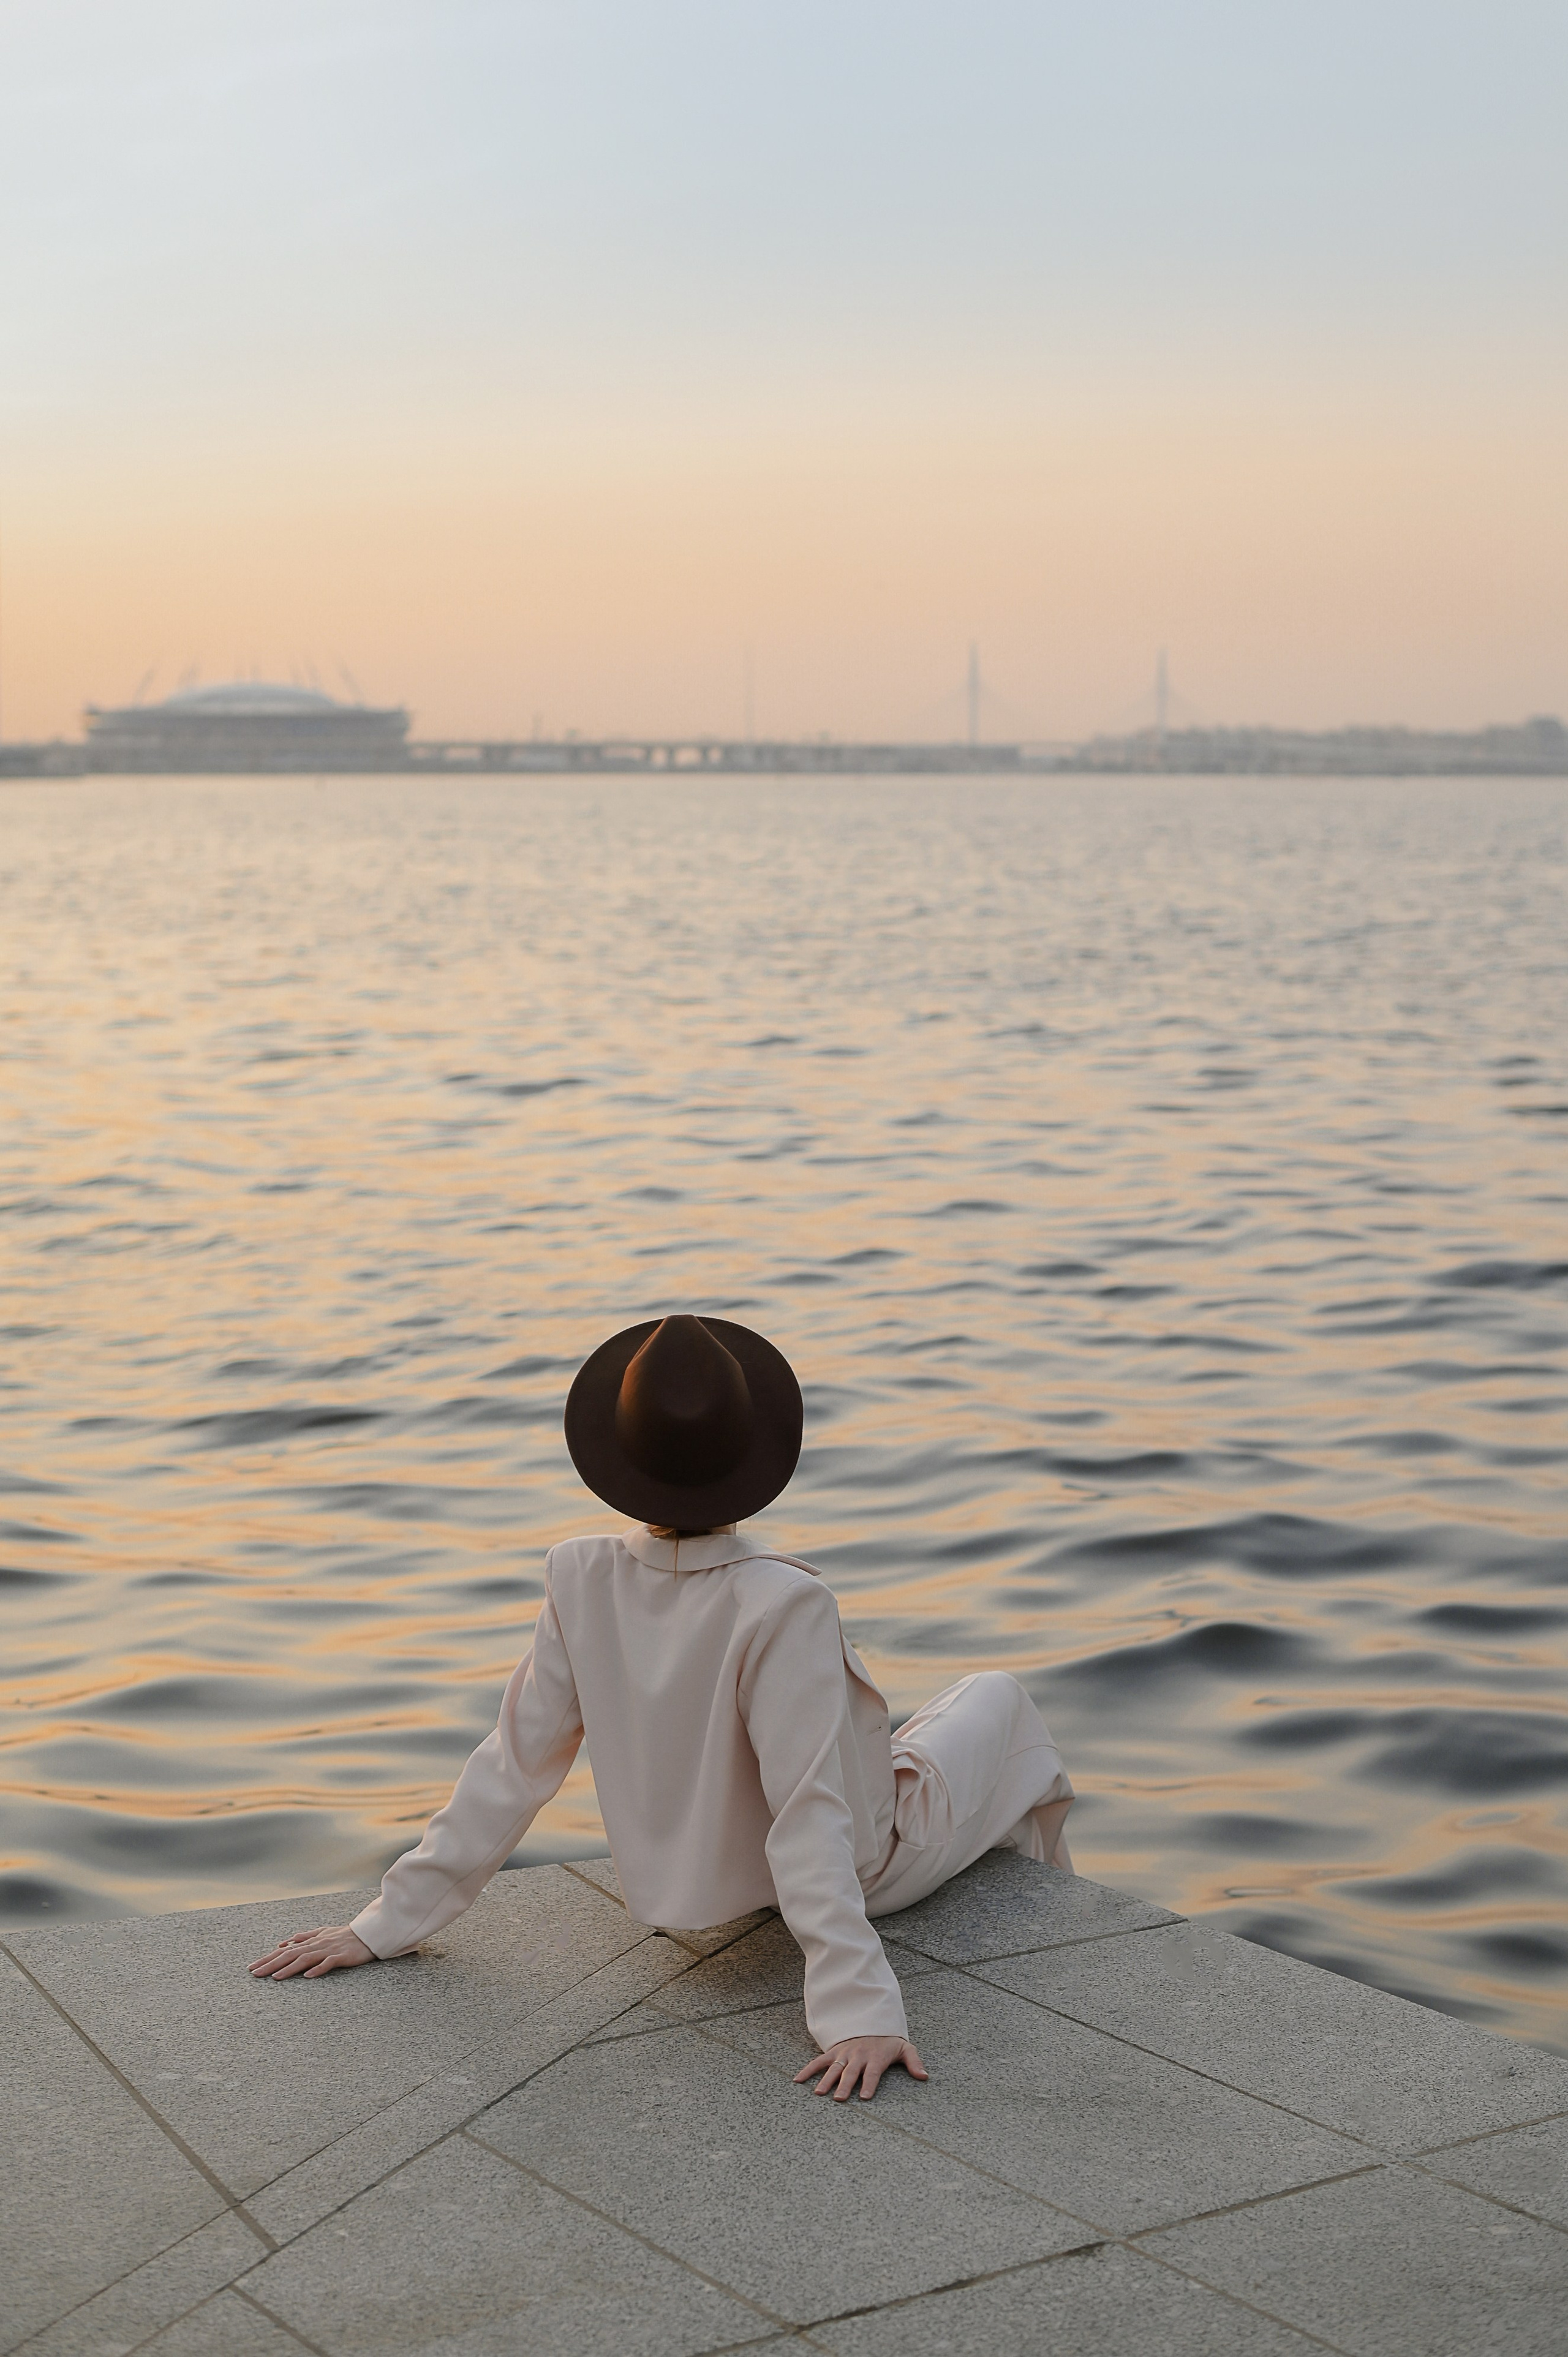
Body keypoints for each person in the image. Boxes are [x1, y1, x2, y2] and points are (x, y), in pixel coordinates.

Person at [250, 1314, 1074, 2101]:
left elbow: (513, 1763)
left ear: (624, 1459)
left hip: (709, 1881)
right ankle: (1057, 1909)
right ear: (753, 1457)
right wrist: (858, 2011)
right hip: (869, 1865)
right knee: (1001, 1701)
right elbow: (809, 1809)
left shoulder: (579, 1575)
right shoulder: (783, 1600)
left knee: (933, 1729)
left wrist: (385, 1923)